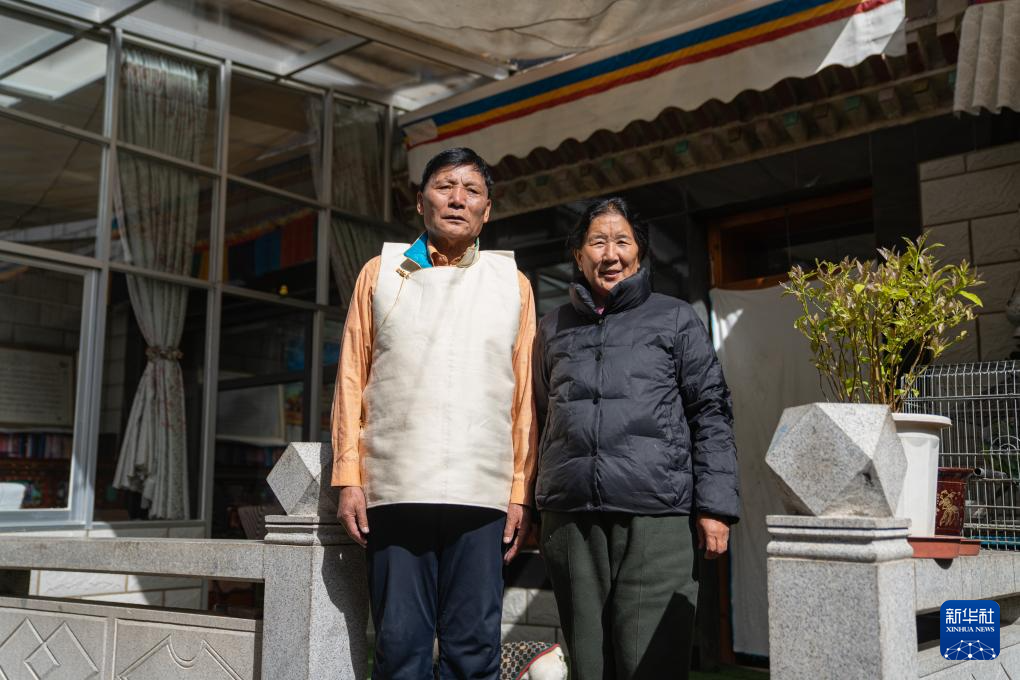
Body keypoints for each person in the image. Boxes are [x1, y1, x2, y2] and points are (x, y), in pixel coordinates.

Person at [329, 147, 538, 680]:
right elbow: (351, 378)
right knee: (399, 646)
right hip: (396, 484)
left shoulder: (513, 284)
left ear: (487, 211)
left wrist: (520, 489)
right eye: (445, 186)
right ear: (421, 202)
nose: (457, 199)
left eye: (472, 190)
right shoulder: (379, 273)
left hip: (482, 489)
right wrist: (349, 477)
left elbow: (523, 397)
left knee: (474, 648)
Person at [533, 197, 740, 680]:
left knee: (651, 662)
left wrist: (715, 506)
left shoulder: (675, 318)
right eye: (597, 242)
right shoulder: (552, 326)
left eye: (622, 241)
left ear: (640, 253)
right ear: (578, 255)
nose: (610, 254)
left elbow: (710, 410)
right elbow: (539, 416)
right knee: (589, 665)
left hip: (657, 517)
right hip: (570, 518)